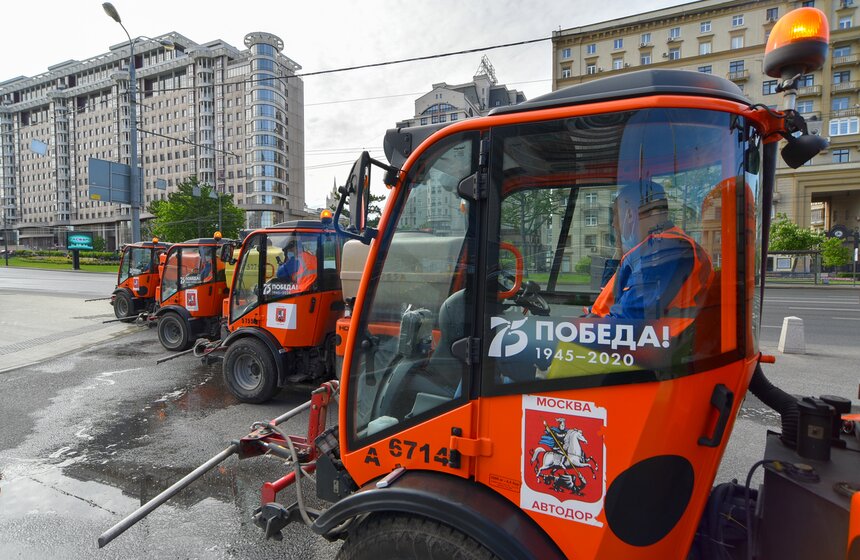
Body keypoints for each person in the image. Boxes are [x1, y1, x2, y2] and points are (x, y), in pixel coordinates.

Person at [586, 181, 712, 337]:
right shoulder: (646, 250)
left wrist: (578, 332)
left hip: (647, 354)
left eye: (615, 215)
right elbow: (608, 300)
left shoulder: (668, 250)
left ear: (630, 214)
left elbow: (627, 323)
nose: (613, 223)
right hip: (625, 346)